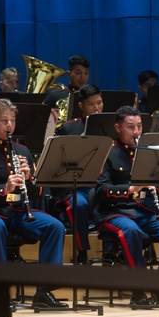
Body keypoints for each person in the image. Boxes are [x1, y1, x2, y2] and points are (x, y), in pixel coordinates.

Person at [0, 97, 69, 308]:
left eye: (12, 120)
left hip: (15, 211)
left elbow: (38, 192)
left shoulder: (22, 150)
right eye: (4, 120)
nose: (9, 125)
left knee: (55, 226)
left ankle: (43, 292)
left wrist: (29, 178)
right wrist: (3, 188)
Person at [94, 105, 159, 306]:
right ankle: (138, 289)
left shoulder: (148, 152)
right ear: (118, 127)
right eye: (130, 127)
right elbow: (101, 191)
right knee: (131, 231)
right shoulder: (107, 153)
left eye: (139, 126)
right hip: (115, 212)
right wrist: (130, 189)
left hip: (144, 211)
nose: (136, 132)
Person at [50, 84, 104, 264]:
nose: (97, 108)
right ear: (81, 106)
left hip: (103, 182)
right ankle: (82, 251)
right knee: (78, 205)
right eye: (91, 104)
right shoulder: (68, 128)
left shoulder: (113, 126)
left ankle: (111, 252)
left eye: (99, 103)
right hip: (77, 185)